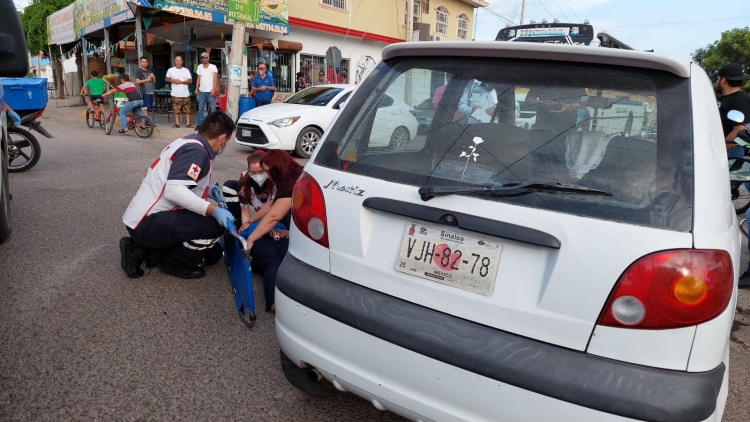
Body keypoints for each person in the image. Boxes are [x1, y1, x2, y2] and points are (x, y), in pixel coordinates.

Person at [120, 111, 237, 279]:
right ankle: (172, 263)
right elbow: (174, 190)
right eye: (227, 141)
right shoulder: (197, 151)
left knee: (213, 254)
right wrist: (213, 210)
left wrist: (206, 189)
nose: (225, 146)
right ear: (222, 138)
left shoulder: (190, 141)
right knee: (214, 226)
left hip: (145, 219)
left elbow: (180, 180)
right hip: (147, 223)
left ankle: (141, 250)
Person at [244, 150, 303, 312]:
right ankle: (275, 302)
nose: (268, 177)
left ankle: (277, 302)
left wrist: (251, 239)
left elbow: (274, 215)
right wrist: (250, 221)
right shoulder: (294, 174)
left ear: (277, 168)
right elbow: (273, 205)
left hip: (288, 231)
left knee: (281, 261)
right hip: (279, 233)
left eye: (268, 171)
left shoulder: (291, 181)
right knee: (273, 261)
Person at [715, 63, 750, 287]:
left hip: (733, 152)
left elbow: (739, 130)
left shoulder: (740, 100)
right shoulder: (726, 101)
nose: (716, 81)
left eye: (718, 78)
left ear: (723, 79)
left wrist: (718, 150)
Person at [221, 151, 276, 225]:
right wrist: (245, 227)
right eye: (253, 173)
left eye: (261, 172)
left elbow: (277, 207)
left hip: (275, 208)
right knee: (229, 186)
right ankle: (237, 221)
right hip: (257, 202)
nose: (257, 176)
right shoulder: (245, 179)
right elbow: (245, 209)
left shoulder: (274, 180)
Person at [523, 85, 588, 133]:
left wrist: (569, 106)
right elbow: (528, 101)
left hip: (567, 128)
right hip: (542, 127)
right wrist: (542, 102)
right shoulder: (542, 82)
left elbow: (585, 101)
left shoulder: (575, 83)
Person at [165, 56, 193, 128]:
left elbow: (190, 80)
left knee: (187, 109)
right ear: (175, 61)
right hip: (175, 93)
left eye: (179, 61)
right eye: (177, 61)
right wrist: (172, 80)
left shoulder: (186, 70)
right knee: (176, 110)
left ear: (182, 61)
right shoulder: (171, 70)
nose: (178, 62)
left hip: (185, 93)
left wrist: (181, 82)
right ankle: (177, 123)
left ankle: (188, 123)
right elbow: (166, 79)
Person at [195, 52, 219, 130]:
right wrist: (196, 88)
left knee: (212, 108)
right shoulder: (199, 67)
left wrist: (213, 89)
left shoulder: (213, 67)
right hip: (202, 90)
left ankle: (214, 124)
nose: (204, 59)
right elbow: (198, 78)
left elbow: (215, 79)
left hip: (210, 91)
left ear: (208, 58)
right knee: (200, 108)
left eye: (205, 58)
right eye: (202, 58)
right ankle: (199, 124)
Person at [134, 57, 156, 125]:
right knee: (144, 107)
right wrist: (147, 80)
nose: (144, 63)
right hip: (143, 92)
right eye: (143, 62)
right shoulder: (138, 71)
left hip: (151, 91)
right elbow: (137, 81)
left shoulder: (150, 70)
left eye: (146, 62)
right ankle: (144, 121)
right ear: (140, 63)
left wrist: (153, 78)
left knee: (150, 108)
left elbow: (154, 82)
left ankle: (148, 121)